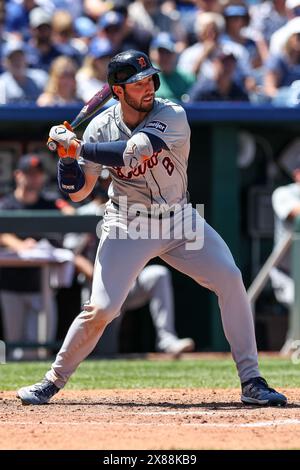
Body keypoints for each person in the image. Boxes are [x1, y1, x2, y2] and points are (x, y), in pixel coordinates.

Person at [17, 49, 287, 406]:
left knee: (230, 278)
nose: (147, 88)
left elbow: (133, 153)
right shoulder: (100, 126)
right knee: (102, 308)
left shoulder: (171, 113)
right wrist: (68, 160)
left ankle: (252, 380)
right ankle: (52, 381)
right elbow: (80, 191)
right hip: (126, 223)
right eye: (136, 84)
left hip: (179, 219)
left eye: (149, 80)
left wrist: (77, 144)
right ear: (117, 91)